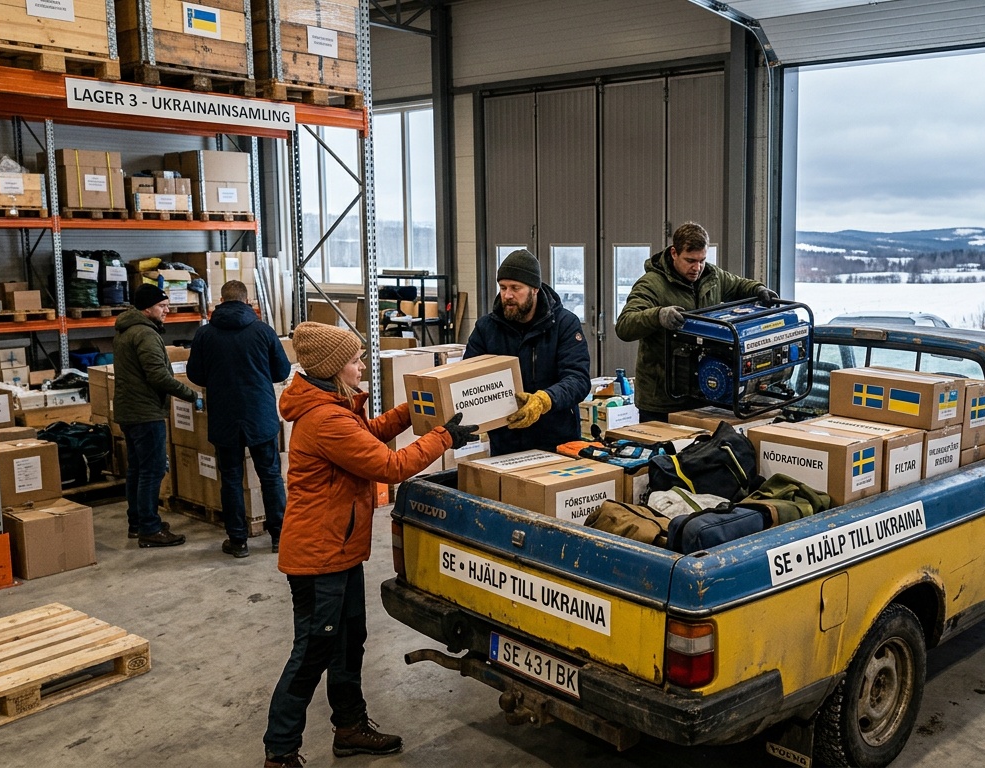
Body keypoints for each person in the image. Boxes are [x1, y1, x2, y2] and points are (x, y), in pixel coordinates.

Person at [262, 322, 477, 768]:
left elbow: (372, 433)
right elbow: (391, 466)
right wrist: (444, 438)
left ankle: (350, 727)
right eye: (356, 360)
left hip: (340, 550)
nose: (362, 366)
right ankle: (280, 751)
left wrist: (414, 412)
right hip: (319, 556)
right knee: (312, 652)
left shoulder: (334, 404)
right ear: (333, 369)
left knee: (348, 641)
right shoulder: (326, 419)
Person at [615, 222, 779, 422]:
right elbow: (624, 325)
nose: (697, 268)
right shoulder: (651, 284)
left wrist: (758, 289)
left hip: (703, 394)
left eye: (702, 260)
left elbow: (738, 285)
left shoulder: (712, 276)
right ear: (674, 253)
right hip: (663, 400)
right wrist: (658, 315)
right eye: (690, 260)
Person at [187, 280, 292, 558]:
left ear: (220, 301)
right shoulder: (263, 331)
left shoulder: (205, 335)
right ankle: (279, 537)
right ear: (248, 301)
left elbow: (195, 375)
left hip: (224, 416)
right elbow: (281, 371)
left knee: (231, 478)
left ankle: (238, 541)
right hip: (260, 415)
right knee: (270, 475)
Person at [465, 249, 591, 455]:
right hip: (506, 442)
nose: (507, 295)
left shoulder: (564, 325)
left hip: (556, 440)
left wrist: (544, 400)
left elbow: (578, 379)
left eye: (516, 288)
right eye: (503, 287)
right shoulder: (486, 328)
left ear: (535, 289)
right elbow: (468, 376)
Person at [114, 283, 201, 548]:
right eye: (162, 306)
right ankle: (150, 528)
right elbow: (158, 376)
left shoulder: (126, 331)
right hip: (145, 412)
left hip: (129, 410)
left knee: (138, 470)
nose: (167, 310)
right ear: (147, 308)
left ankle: (137, 522)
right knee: (151, 471)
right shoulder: (145, 334)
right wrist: (191, 395)